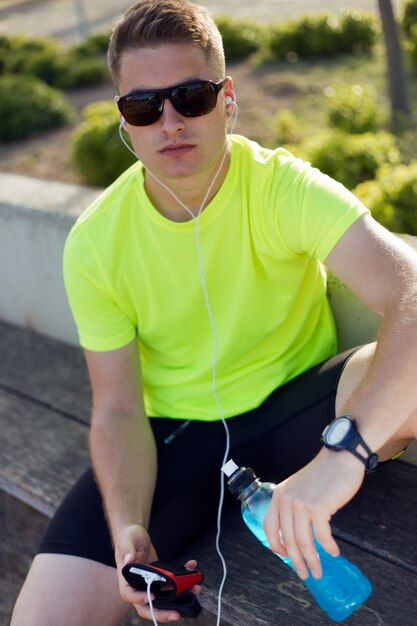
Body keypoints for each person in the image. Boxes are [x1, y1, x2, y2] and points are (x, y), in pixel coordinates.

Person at [11, 0, 417, 624]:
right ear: (124, 119)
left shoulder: (282, 186)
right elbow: (117, 407)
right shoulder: (96, 242)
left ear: (227, 97)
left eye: (191, 97)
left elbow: (410, 292)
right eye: (144, 107)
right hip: (176, 439)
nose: (169, 122)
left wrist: (342, 458)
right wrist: (128, 531)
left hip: (299, 412)